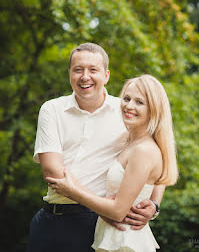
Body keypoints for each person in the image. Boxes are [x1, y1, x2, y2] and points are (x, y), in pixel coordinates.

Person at [27, 43, 166, 252]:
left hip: (103, 225)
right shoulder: (52, 109)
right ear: (70, 74)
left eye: (93, 70)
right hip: (55, 222)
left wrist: (154, 204)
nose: (85, 77)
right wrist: (105, 208)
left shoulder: (127, 111)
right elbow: (53, 172)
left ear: (106, 75)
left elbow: (158, 154)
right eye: (78, 69)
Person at [46, 74, 178, 252]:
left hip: (126, 239)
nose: (129, 106)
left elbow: (118, 211)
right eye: (127, 98)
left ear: (154, 109)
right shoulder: (130, 141)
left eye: (140, 102)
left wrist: (73, 192)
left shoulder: (143, 150)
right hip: (110, 236)